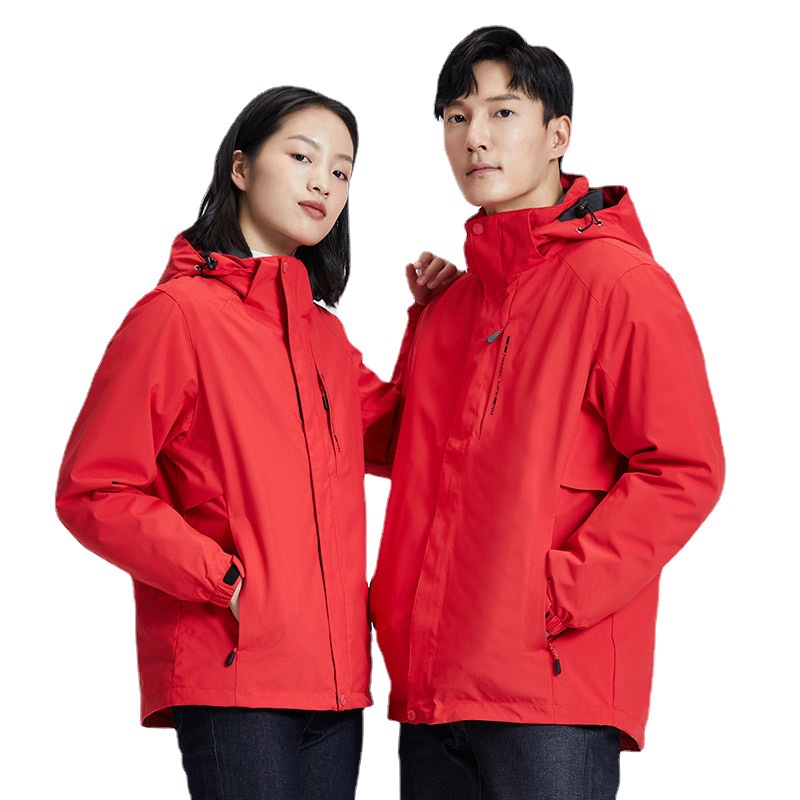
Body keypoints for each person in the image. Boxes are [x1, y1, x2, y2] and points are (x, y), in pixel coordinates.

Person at [55, 85, 459, 800]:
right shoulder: (176, 316)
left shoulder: (323, 336)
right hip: (235, 674)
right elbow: (94, 489)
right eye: (302, 157)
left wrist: (433, 324)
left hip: (336, 685)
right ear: (240, 168)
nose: (323, 182)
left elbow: (403, 442)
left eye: (341, 171)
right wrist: (223, 581)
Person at [368, 26, 725, 800]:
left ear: (558, 134)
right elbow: (400, 448)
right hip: (432, 688)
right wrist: (410, 322)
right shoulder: (453, 305)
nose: (476, 137)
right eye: (457, 117)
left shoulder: (620, 284)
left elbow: (683, 470)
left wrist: (552, 596)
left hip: (551, 690)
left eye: (502, 112)